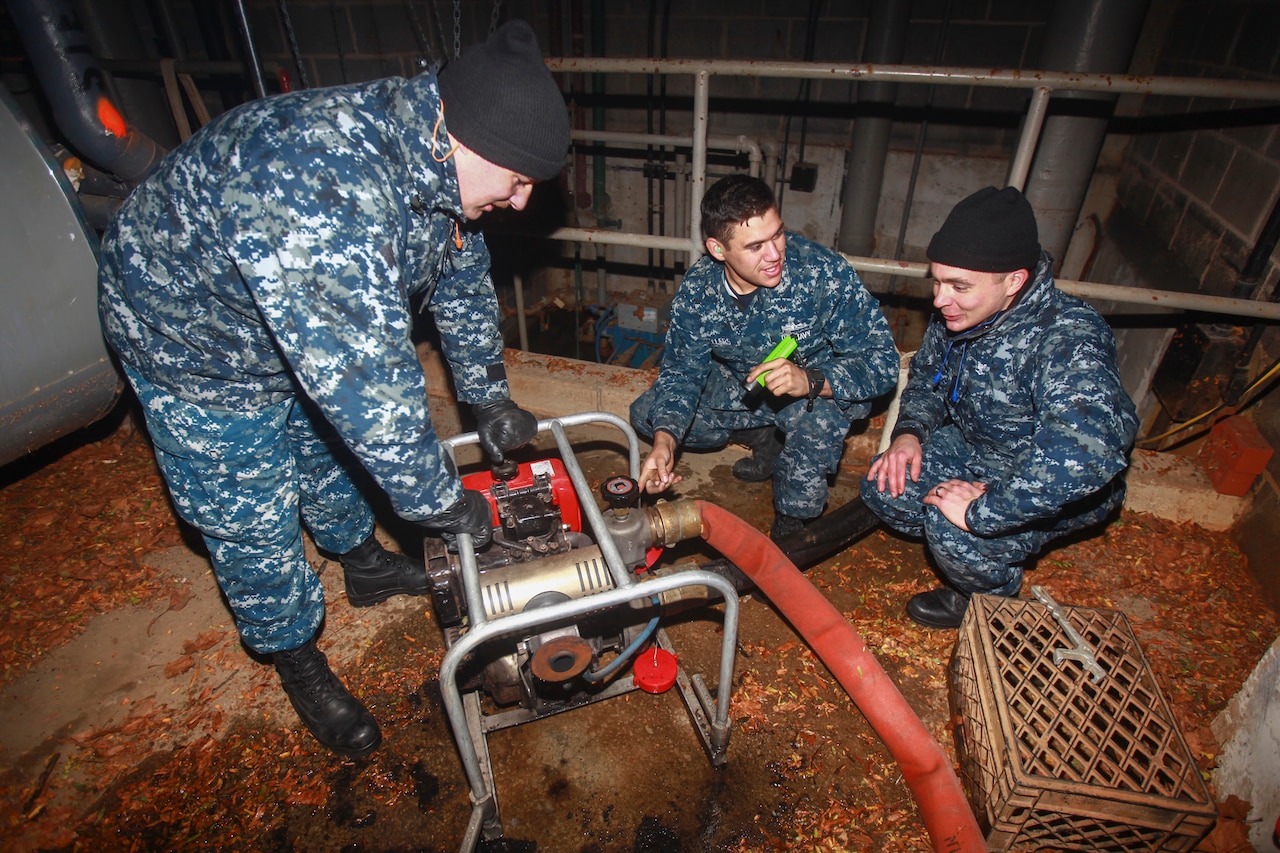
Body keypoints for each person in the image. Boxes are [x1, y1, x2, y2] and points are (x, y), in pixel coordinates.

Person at [97, 20, 570, 756]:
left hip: (283, 308)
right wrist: (450, 508)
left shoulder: (437, 154)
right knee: (249, 510)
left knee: (322, 449)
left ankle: (364, 562)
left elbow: (461, 273)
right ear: (463, 141)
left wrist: (488, 396)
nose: (519, 202)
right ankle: (295, 653)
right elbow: (377, 404)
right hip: (193, 338)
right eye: (516, 180)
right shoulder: (325, 191)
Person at [861, 186, 1138, 629]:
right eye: (936, 280)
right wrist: (909, 433)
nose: (938, 299)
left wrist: (981, 511)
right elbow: (928, 376)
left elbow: (1084, 457)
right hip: (976, 445)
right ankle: (959, 534)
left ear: (1014, 281)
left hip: (1036, 474)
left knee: (954, 530)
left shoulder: (1067, 337)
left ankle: (984, 598)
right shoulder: (960, 315)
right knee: (885, 486)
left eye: (958, 286)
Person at [630, 174, 899, 540]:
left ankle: (793, 525)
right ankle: (764, 438)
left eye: (777, 235)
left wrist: (810, 380)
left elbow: (883, 363)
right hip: (747, 387)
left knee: (813, 429)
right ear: (718, 249)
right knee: (650, 415)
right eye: (756, 246)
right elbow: (681, 374)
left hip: (815, 392)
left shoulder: (821, 272)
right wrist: (665, 444)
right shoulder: (699, 290)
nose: (775, 254)